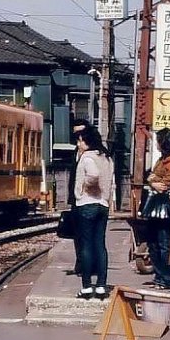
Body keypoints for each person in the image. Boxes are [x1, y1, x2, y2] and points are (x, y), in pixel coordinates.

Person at [74, 125, 115, 300]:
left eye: (80, 140)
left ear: (86, 141)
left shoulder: (87, 157)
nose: (78, 144)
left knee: (86, 245)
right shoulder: (107, 157)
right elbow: (111, 181)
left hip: (87, 203)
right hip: (103, 205)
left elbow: (93, 175)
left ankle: (86, 287)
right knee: (100, 244)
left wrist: (85, 187)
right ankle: (101, 285)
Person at [145, 128, 170, 290]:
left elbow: (165, 184)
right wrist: (153, 180)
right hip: (154, 205)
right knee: (153, 243)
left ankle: (167, 277)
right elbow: (152, 177)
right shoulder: (162, 159)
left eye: (158, 140)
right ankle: (159, 275)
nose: (156, 144)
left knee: (164, 243)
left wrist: (153, 180)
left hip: (166, 206)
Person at [67, 118, 91, 277]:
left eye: (81, 133)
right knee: (77, 233)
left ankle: (87, 265)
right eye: (76, 133)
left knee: (87, 234)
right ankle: (80, 262)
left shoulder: (91, 155)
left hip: (88, 199)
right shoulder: (75, 153)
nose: (78, 137)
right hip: (76, 199)